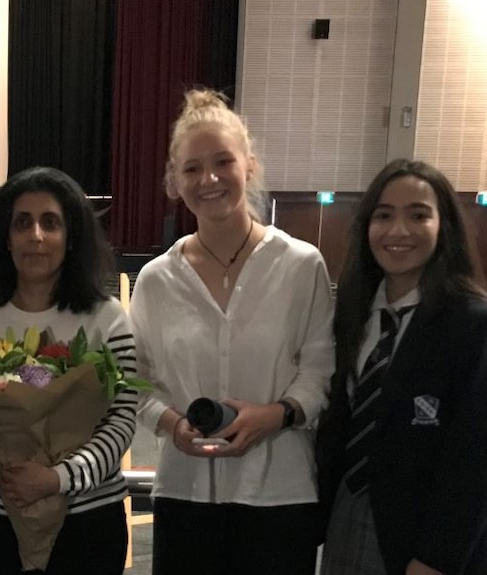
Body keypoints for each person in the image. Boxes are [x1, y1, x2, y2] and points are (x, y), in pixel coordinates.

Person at [130, 89, 335, 575]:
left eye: (223, 161)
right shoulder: (158, 279)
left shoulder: (301, 265)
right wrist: (169, 422)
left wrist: (277, 414)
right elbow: (133, 379)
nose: (210, 179)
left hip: (280, 493)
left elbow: (321, 368)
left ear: (250, 166)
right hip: (186, 491)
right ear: (174, 183)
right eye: (192, 168)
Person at [0, 166, 137, 575]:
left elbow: (122, 419)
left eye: (50, 223)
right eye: (22, 223)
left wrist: (57, 478)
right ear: (5, 237)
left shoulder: (107, 318)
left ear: (71, 237)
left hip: (87, 519)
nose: (35, 235)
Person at [316, 159, 487, 575]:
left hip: (423, 537)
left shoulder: (472, 324)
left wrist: (436, 559)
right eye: (384, 215)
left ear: (443, 226)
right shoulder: (352, 317)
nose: (398, 231)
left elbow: (474, 460)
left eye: (418, 214)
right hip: (346, 514)